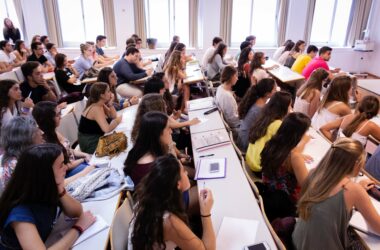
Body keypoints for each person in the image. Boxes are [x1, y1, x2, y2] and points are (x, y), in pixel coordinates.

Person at [0, 144, 96, 249]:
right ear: (45, 174)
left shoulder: (47, 188)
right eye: (61, 165)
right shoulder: (19, 212)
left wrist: (61, 191)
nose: (65, 167)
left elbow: (77, 212)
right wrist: (78, 228)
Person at [293, 138, 380, 249]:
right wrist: (359, 191)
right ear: (356, 164)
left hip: (298, 241)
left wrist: (359, 189)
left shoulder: (314, 173)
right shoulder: (354, 190)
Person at [128, 154, 215, 250]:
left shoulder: (150, 196)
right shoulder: (168, 221)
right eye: (183, 171)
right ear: (178, 184)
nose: (186, 173)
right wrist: (205, 213)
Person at [261, 112, 311, 221]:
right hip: (288, 202)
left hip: (269, 190)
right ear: (299, 134)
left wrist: (301, 146)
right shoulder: (294, 157)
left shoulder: (271, 143)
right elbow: (308, 186)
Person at [32, 101, 94, 178]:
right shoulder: (44, 141)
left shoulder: (53, 131)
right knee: (96, 169)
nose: (61, 116)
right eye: (58, 115)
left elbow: (69, 150)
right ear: (48, 119)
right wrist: (82, 160)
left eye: (60, 113)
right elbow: (64, 167)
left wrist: (85, 155)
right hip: (66, 173)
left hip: (74, 164)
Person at [246, 91, 292, 172]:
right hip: (259, 167)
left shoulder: (264, 116)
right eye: (290, 106)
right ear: (284, 108)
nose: (291, 108)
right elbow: (287, 146)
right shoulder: (278, 124)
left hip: (250, 159)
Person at [124, 111, 173, 185]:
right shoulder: (151, 167)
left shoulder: (143, 149)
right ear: (157, 134)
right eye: (168, 128)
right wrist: (171, 148)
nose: (171, 131)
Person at [131, 93, 199, 144]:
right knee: (189, 138)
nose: (166, 106)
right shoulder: (153, 122)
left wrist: (174, 118)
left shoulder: (145, 118)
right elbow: (169, 124)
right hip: (165, 145)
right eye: (164, 104)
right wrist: (189, 122)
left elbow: (168, 122)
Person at [0, 116, 44, 191]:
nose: (42, 132)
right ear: (27, 137)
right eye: (37, 129)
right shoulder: (15, 165)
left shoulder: (25, 157)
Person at [78, 82, 122, 154]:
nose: (110, 93)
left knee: (123, 139)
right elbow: (107, 129)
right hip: (90, 143)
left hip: (97, 137)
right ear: (102, 95)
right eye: (108, 91)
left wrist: (110, 104)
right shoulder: (95, 108)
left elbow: (113, 116)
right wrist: (117, 121)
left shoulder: (100, 104)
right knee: (121, 144)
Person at [237, 78, 276, 151]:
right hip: (246, 144)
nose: (276, 91)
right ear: (267, 94)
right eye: (274, 89)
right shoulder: (259, 109)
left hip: (242, 138)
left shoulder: (256, 100)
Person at [215, 66, 240, 135]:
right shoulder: (227, 96)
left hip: (229, 121)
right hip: (235, 126)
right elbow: (233, 120)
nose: (237, 78)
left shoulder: (220, 87)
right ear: (231, 77)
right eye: (236, 76)